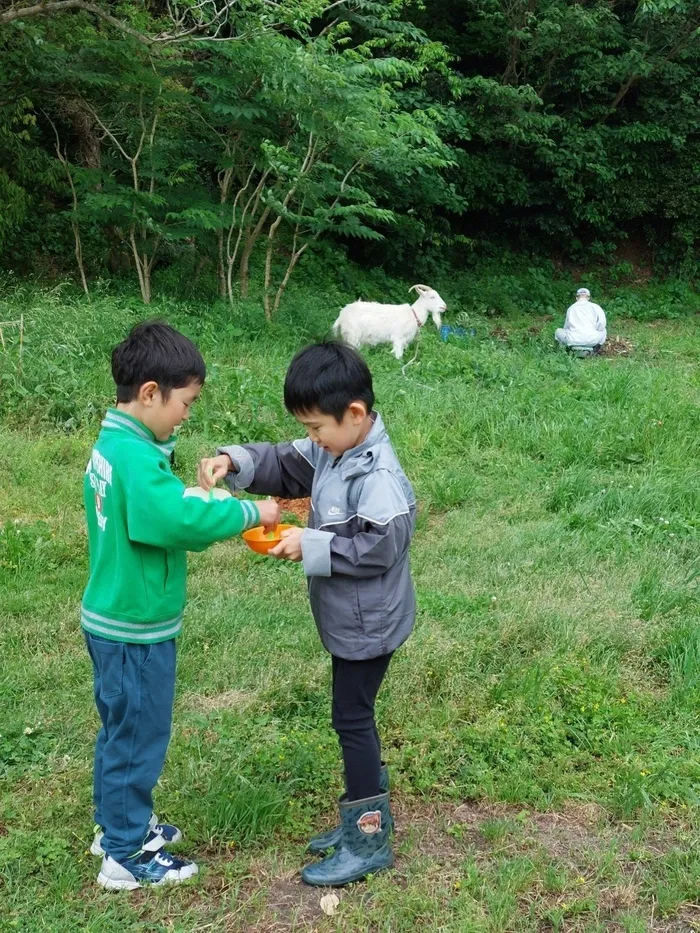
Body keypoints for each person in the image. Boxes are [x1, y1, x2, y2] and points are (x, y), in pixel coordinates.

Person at [198, 342, 416, 887]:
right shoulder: (333, 449)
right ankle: (360, 817)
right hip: (352, 620)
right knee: (352, 716)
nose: (311, 438)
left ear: (356, 415)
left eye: (317, 427)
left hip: (371, 627)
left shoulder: (379, 476)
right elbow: (281, 461)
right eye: (308, 428)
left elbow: (380, 548)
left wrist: (309, 543)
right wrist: (234, 460)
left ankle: (368, 837)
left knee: (352, 720)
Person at [82, 321, 280, 890]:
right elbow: (173, 519)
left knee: (119, 729)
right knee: (138, 735)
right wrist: (252, 513)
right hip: (135, 628)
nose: (188, 416)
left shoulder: (117, 446)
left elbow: (158, 505)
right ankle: (125, 856)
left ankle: (116, 823)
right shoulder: (136, 460)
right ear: (150, 393)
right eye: (186, 403)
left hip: (112, 617)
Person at [555, 287, 607, 353]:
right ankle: (595, 351)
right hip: (592, 340)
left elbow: (566, 327)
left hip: (573, 340)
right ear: (588, 297)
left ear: (577, 298)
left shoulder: (571, 308)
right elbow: (602, 323)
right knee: (604, 330)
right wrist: (594, 331)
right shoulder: (595, 307)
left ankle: (562, 351)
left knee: (558, 331)